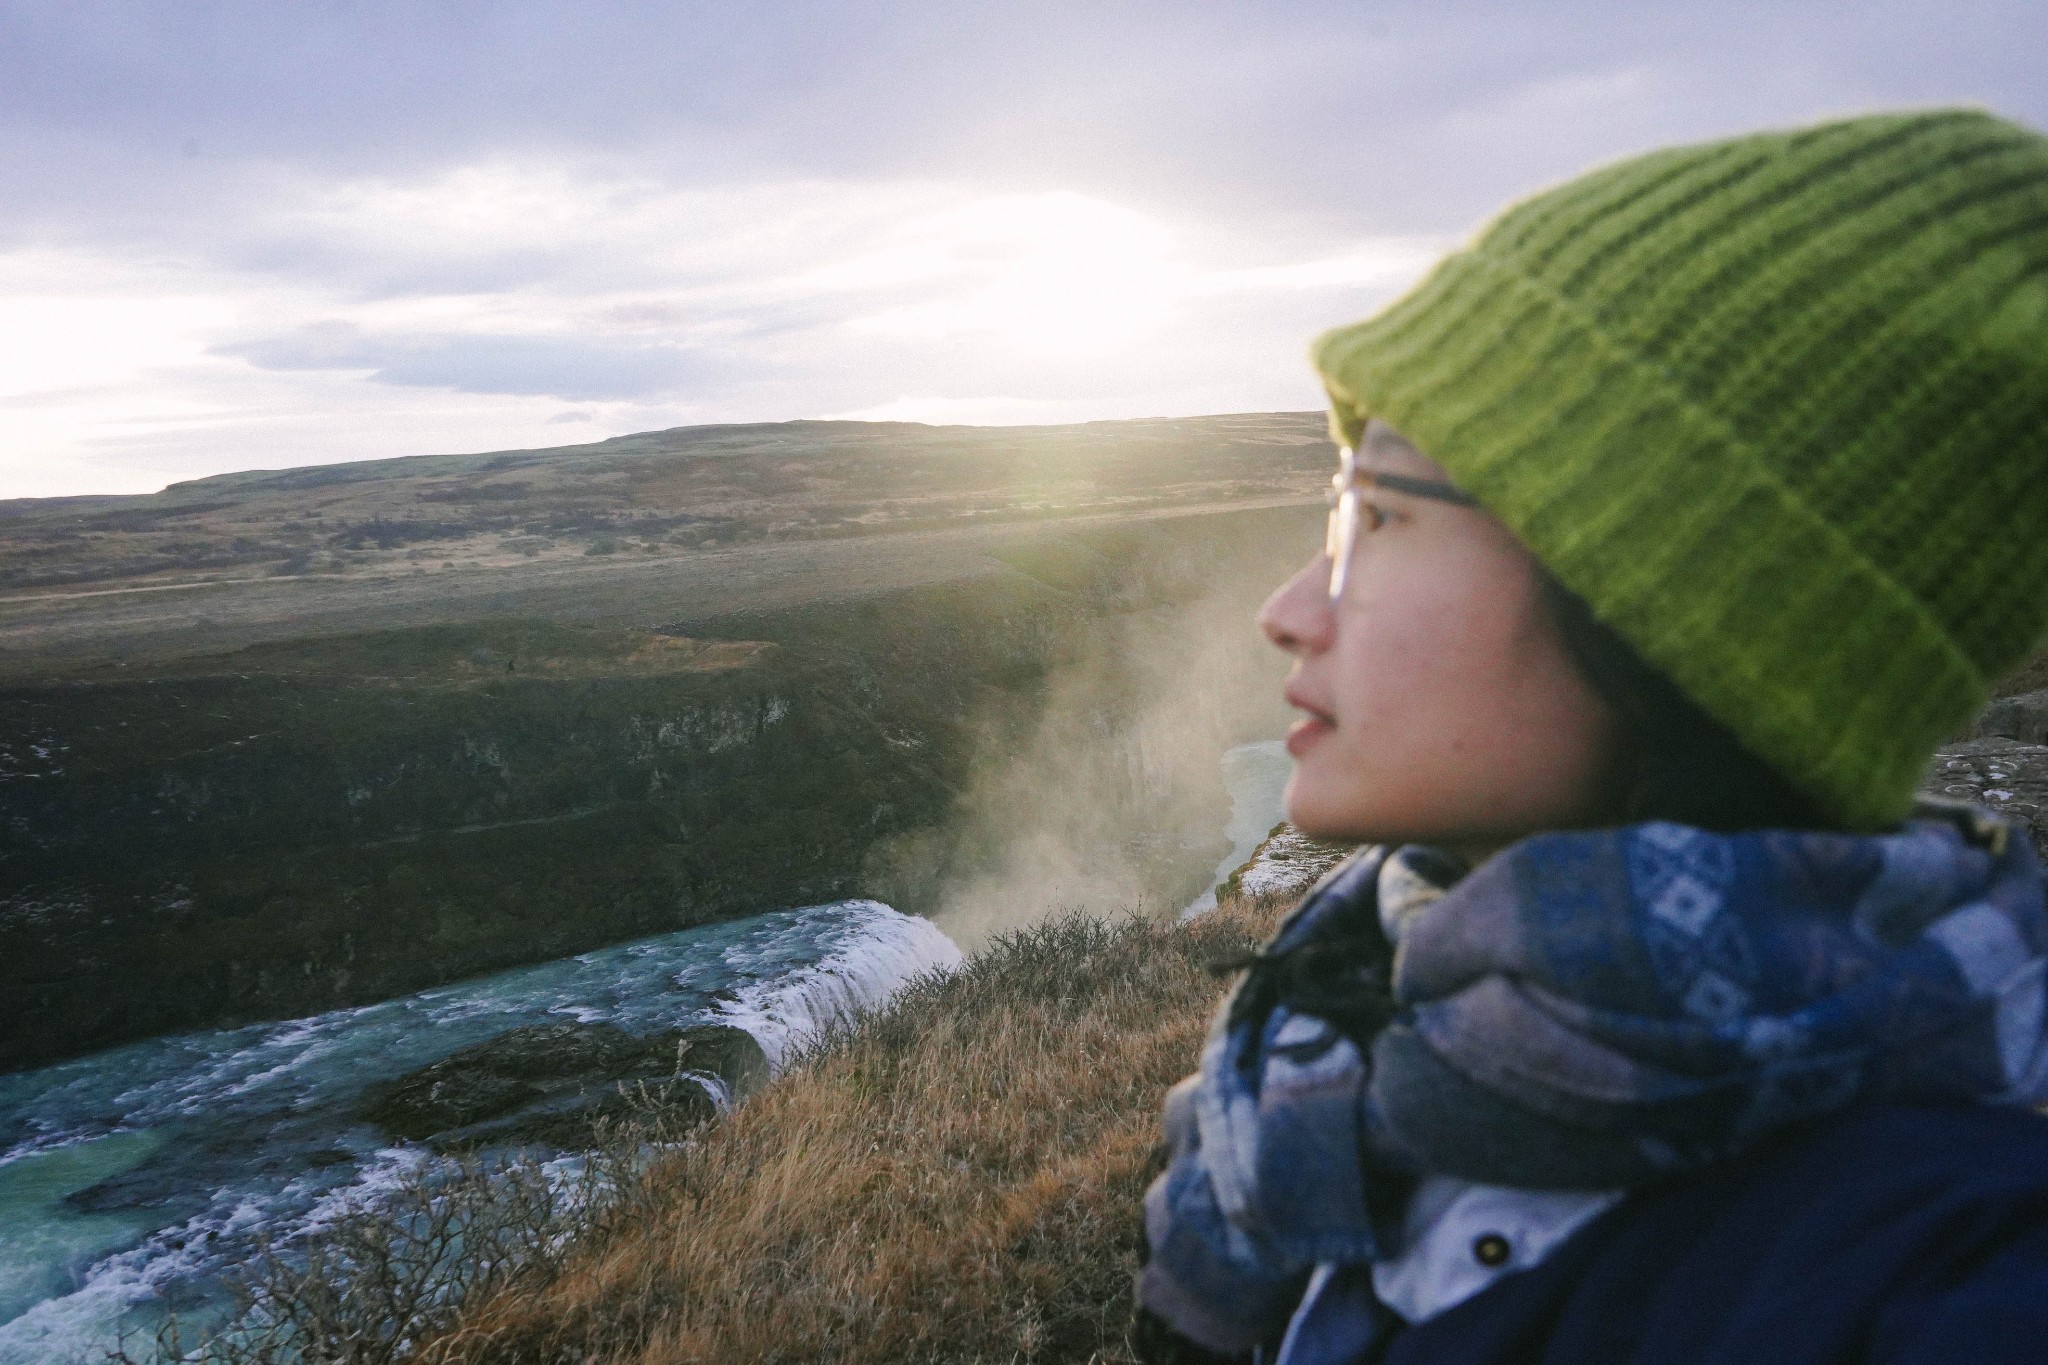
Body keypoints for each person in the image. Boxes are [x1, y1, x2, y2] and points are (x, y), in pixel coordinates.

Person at [1139, 108, 2048, 1363]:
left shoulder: (1940, 1287)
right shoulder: (1339, 1061)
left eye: (1378, 518)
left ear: (1687, 608)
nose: (1285, 612)